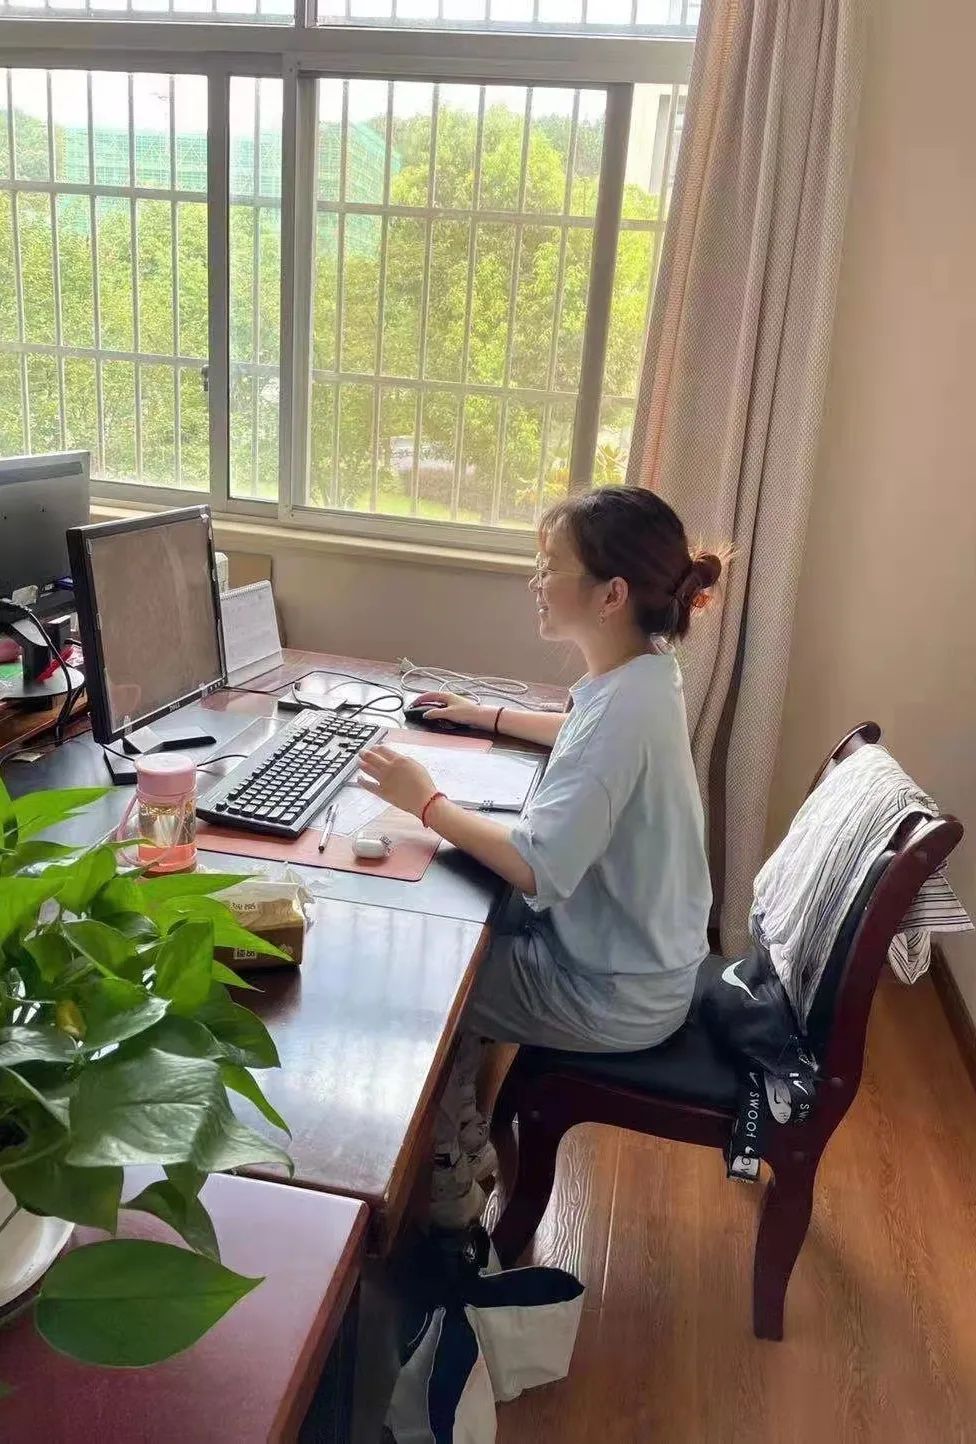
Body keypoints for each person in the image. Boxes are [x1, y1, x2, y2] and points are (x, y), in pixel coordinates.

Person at [359, 485, 724, 1229]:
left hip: (612, 993)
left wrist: (425, 802)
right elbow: (580, 729)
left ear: (611, 594)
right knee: (458, 913)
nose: (536, 581)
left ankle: (447, 1180)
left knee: (428, 973)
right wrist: (484, 715)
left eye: (550, 566)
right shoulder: (644, 675)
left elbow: (538, 866)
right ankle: (463, 1133)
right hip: (638, 956)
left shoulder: (624, 711)